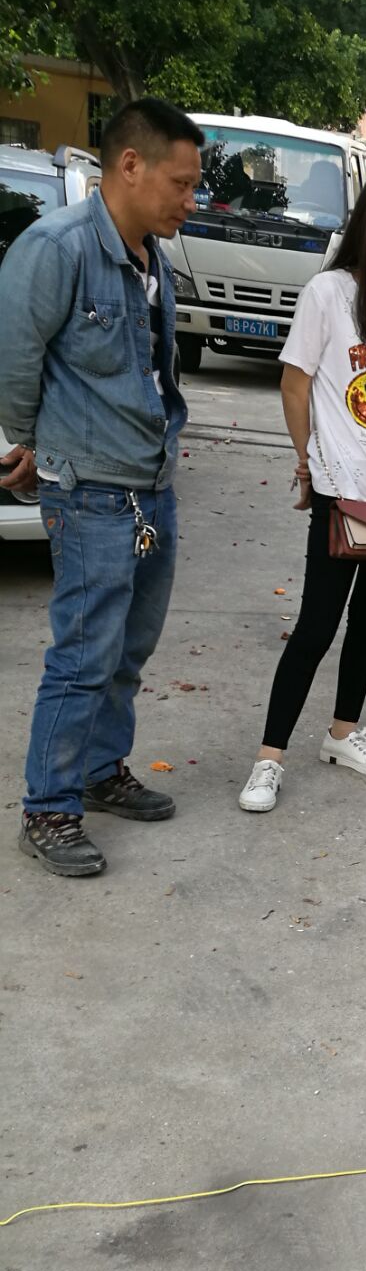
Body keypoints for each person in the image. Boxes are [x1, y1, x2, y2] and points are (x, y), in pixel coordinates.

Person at [0, 98, 203, 878]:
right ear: (130, 165)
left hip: (151, 485)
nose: (190, 200)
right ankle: (48, 808)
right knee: (83, 656)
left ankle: (98, 769)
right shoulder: (56, 249)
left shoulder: (150, 258)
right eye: (181, 184)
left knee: (128, 650)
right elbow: (15, 360)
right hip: (89, 491)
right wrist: (32, 442)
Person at [238, 169, 366, 814]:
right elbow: (295, 384)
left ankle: (344, 733)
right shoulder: (328, 294)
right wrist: (307, 464)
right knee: (316, 625)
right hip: (339, 491)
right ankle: (269, 759)